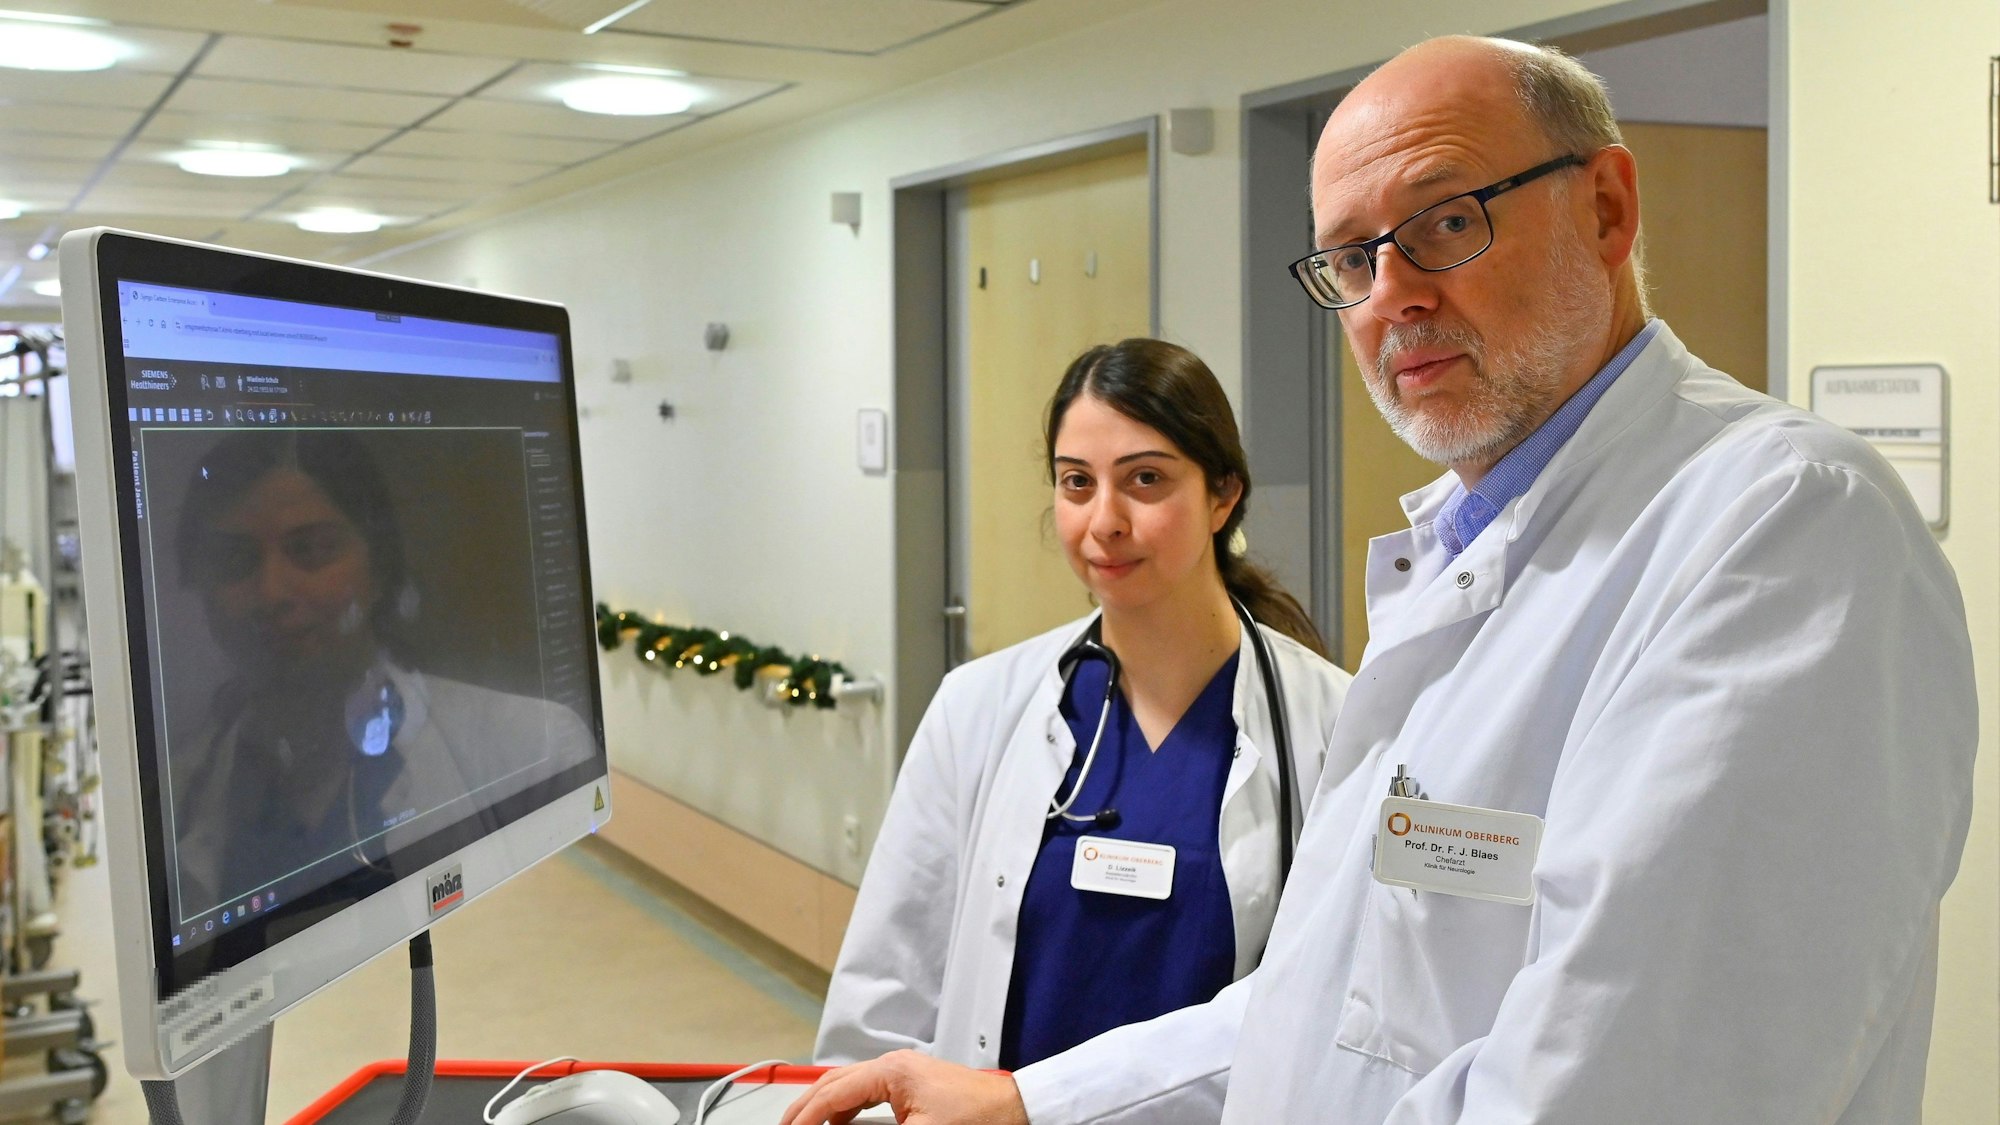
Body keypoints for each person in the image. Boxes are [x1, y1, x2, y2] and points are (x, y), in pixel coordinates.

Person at [782, 35, 1977, 1125]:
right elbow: (1321, 1018)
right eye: (1350, 257)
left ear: (1605, 208)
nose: (1392, 294)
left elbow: (1625, 1084)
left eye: (1445, 221)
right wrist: (1027, 1101)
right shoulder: (1470, 555)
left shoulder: (1782, 525)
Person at [814, 338, 1353, 1076]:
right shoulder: (977, 709)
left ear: (1223, 495)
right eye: (1076, 482)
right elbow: (888, 993)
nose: (1105, 520)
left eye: (1145, 479)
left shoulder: (1330, 725)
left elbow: (1339, 1006)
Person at [167, 430, 595, 917]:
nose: (272, 593)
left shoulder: (535, 748)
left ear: (380, 566)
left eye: (312, 550)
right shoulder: (179, 797)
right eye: (235, 561)